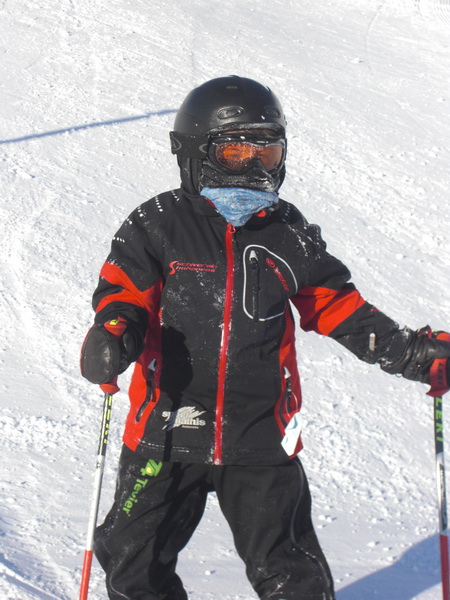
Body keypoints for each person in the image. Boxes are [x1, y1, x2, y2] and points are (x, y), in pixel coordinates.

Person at [80, 75, 450, 600]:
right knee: (132, 566)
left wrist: (410, 353)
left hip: (260, 434)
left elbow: (337, 305)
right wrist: (115, 332)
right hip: (167, 427)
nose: (254, 168)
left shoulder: (285, 230)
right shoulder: (158, 223)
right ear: (196, 152)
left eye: (267, 152)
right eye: (235, 152)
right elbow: (125, 291)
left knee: (292, 574)